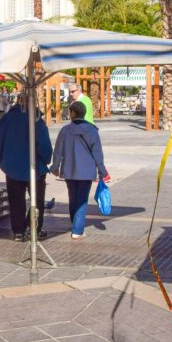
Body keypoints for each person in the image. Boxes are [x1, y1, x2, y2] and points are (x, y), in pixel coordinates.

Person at [0, 93, 53, 241]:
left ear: (18, 101)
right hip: (35, 168)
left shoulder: (6, 119)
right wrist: (46, 159)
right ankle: (34, 228)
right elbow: (44, 144)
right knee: (37, 201)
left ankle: (18, 231)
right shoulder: (36, 120)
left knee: (16, 201)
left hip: (12, 167)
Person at [50, 101, 109, 239]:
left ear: (72, 113)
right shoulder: (92, 131)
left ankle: (75, 224)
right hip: (86, 172)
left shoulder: (65, 130)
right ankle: (77, 230)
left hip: (69, 170)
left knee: (73, 198)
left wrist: (55, 167)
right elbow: (98, 153)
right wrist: (102, 171)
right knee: (82, 200)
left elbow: (58, 151)